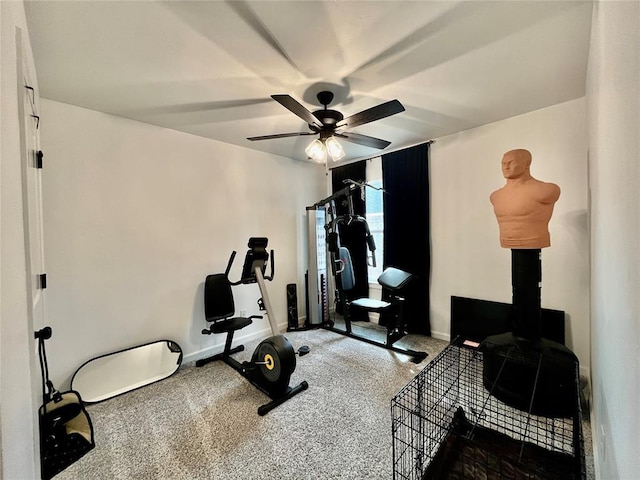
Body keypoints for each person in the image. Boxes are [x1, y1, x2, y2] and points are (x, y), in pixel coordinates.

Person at [490, 149, 560, 249]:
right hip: (506, 241)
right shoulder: (495, 196)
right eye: (503, 163)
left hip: (534, 241)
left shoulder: (546, 190)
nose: (506, 167)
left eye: (511, 163)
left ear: (527, 164)